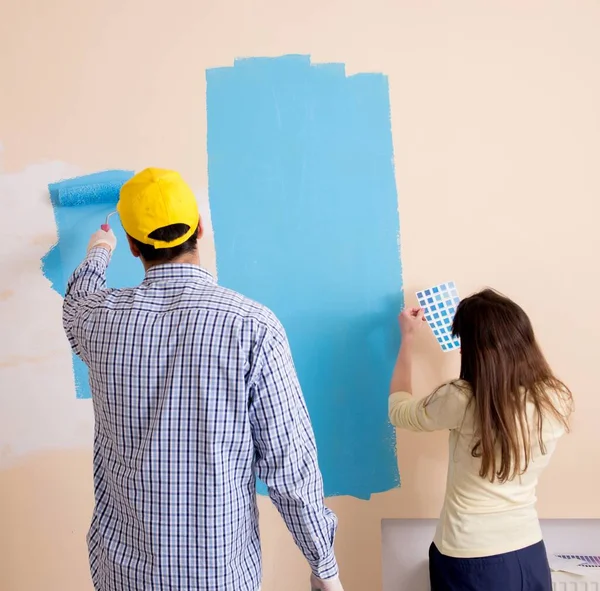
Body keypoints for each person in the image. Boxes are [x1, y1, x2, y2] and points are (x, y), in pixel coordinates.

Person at [62, 168, 343, 591]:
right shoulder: (253, 327)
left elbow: (75, 304)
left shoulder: (99, 320)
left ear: (135, 248)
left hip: (123, 574)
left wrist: (99, 250)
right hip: (218, 577)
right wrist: (324, 566)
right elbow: (290, 466)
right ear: (200, 229)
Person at [388, 289, 573, 591]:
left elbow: (399, 411)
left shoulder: (461, 399)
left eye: (464, 344)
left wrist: (407, 339)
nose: (461, 351)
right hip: (529, 552)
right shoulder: (555, 398)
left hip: (470, 557)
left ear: (477, 352)